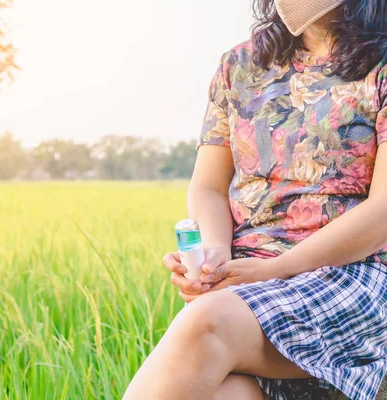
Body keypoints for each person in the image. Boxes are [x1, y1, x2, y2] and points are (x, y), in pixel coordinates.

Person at [123, 0, 387, 399]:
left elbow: (382, 211)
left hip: (350, 274)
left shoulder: (381, 65)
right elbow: (208, 186)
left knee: (204, 322)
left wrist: (278, 269)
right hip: (250, 275)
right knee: (223, 393)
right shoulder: (240, 66)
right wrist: (213, 257)